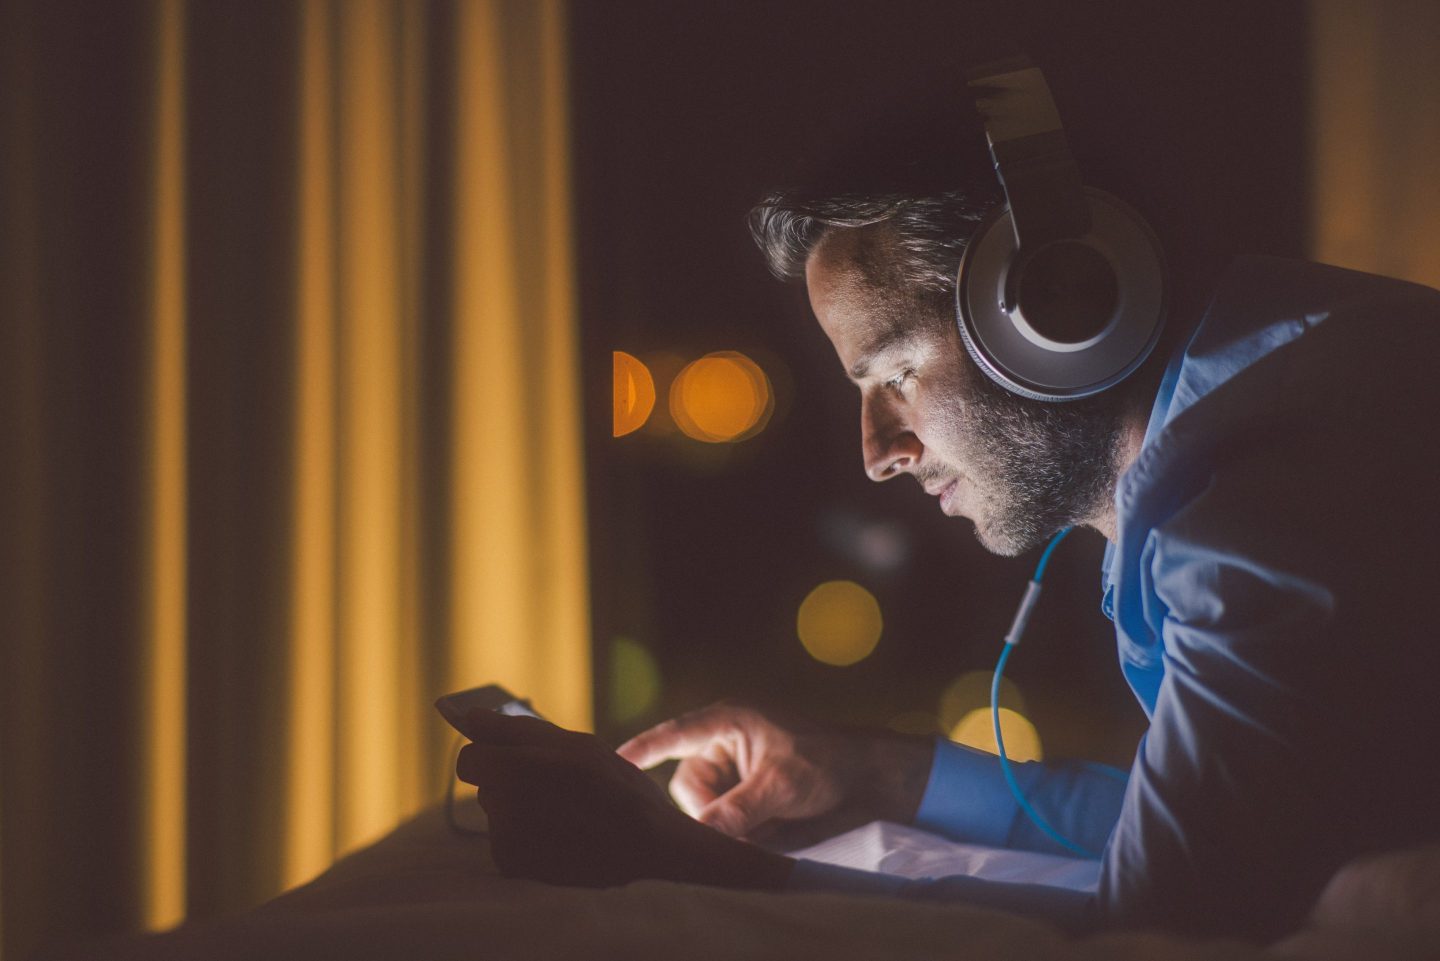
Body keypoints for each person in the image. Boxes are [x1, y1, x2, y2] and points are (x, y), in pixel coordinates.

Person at [456, 106, 1440, 942]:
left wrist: (698, 873)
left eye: (893, 375)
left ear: (1058, 314)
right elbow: (1211, 822)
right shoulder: (1279, 405)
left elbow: (1161, 921)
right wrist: (870, 774)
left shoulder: (1256, 516)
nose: (878, 450)